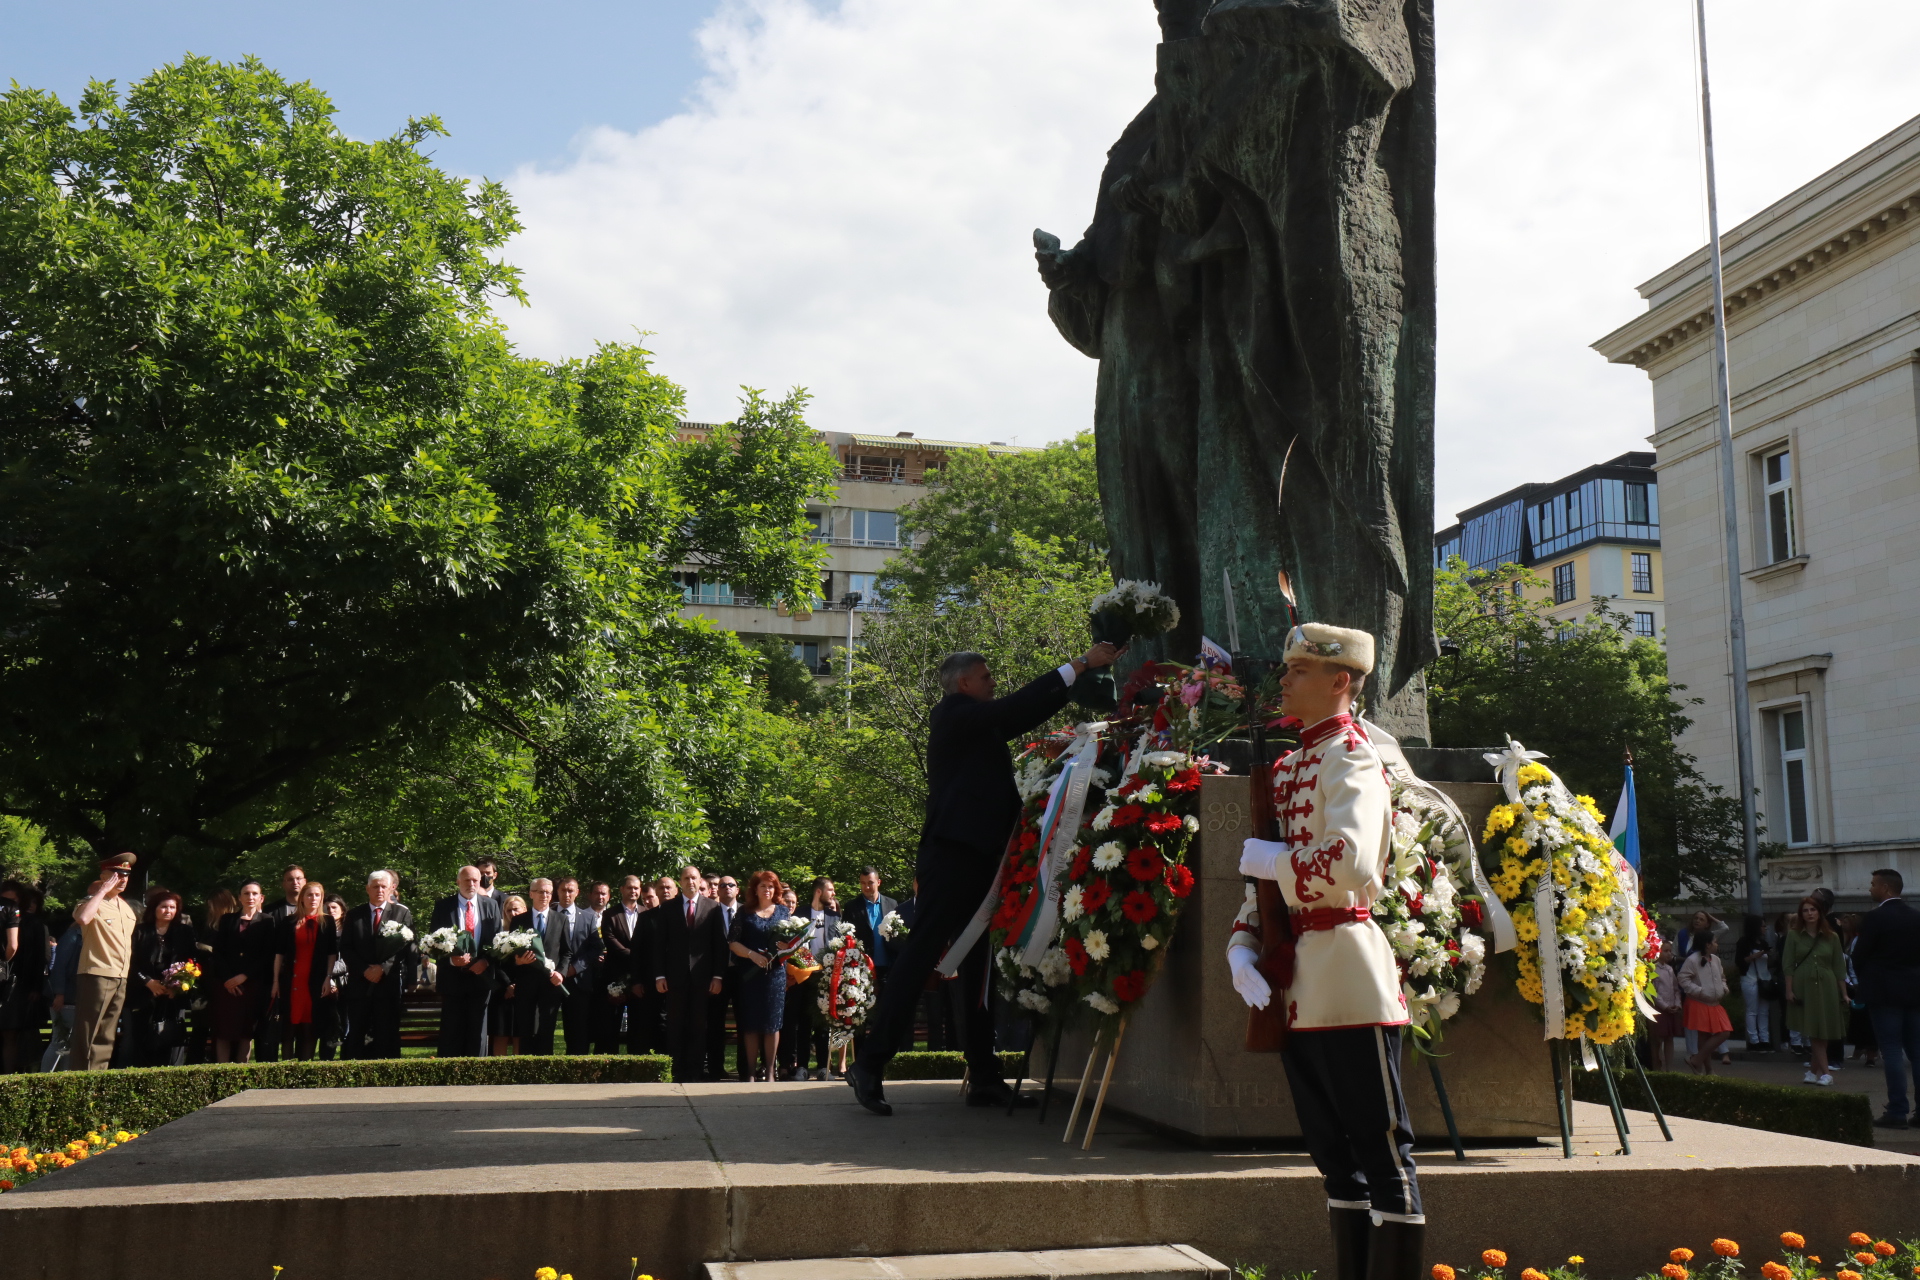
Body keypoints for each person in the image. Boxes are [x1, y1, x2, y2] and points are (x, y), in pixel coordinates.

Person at [851, 640, 1122, 1117]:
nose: (993, 681)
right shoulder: (952, 714)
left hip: (981, 859)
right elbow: (1013, 708)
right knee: (922, 956)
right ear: (963, 684)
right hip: (953, 857)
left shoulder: (978, 723)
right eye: (986, 675)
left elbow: (1020, 714)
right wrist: (1079, 664)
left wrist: (1071, 691)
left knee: (977, 970)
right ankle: (870, 1064)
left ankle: (984, 1074)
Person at [1230, 624, 1424, 1280]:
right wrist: (1242, 947)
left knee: (1382, 1151)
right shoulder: (1292, 765)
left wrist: (1277, 860)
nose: (1284, 680)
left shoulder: (1351, 755)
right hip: (1300, 982)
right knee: (1332, 1154)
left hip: (1346, 974)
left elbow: (1349, 861)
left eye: (1300, 670)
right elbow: (1267, 884)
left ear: (1341, 682)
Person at [1854, 868, 1920, 1128]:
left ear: (1885, 888)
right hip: (1915, 991)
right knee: (1917, 1051)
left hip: (1884, 992)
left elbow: (1860, 956)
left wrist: (1867, 979)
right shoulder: (1917, 917)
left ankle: (1896, 1111)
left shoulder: (1874, 918)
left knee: (1891, 1050)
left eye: (1873, 884)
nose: (1870, 889)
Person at [652, 865, 728, 1082]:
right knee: (674, 1025)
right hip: (674, 978)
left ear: (699, 880)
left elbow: (719, 945)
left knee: (698, 1025)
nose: (690, 882)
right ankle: (675, 1070)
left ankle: (695, 1072)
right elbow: (659, 945)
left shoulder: (713, 908)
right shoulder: (668, 908)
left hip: (703, 978)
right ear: (680, 882)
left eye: (694, 878)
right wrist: (659, 975)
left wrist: (717, 976)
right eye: (686, 878)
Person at [69, 853, 141, 1071]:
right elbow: (82, 919)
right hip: (96, 974)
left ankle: (98, 1076)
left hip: (120, 975)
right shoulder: (91, 902)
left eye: (126, 875)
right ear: (104, 875)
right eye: (117, 874)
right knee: (88, 1032)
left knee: (107, 1033)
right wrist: (101, 890)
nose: (122, 879)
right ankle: (80, 1079)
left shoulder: (127, 907)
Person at [509, 879, 591, 1056]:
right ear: (531, 894)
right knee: (526, 1029)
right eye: (540, 892)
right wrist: (518, 961)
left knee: (546, 1030)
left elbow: (567, 952)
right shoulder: (519, 921)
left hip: (550, 984)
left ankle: (545, 1071)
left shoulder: (560, 919)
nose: (544, 896)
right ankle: (526, 1069)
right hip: (526, 983)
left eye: (548, 892)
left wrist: (561, 973)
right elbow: (509, 953)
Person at [338, 870, 413, 1059]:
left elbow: (408, 947)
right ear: (367, 889)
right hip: (360, 985)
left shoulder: (401, 913)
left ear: (391, 888)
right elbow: (346, 948)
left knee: (387, 1033)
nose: (379, 890)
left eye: (383, 886)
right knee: (357, 1034)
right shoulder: (355, 915)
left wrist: (383, 968)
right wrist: (365, 970)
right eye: (375, 886)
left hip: (388, 985)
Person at [430, 865, 502, 1058]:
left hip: (481, 977)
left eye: (475, 880)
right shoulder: (443, 906)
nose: (471, 884)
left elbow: (497, 941)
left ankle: (477, 1074)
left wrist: (486, 962)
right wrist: (453, 960)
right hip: (452, 978)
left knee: (478, 1030)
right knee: (451, 1030)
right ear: (458, 882)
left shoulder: (491, 906)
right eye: (467, 880)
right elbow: (433, 943)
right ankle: (449, 1073)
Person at [728, 870, 791, 1083]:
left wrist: (786, 946)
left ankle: (771, 1072)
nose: (767, 890)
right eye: (763, 886)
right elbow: (732, 942)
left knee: (772, 1024)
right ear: (755, 889)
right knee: (751, 1024)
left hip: (775, 976)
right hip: (750, 976)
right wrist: (751, 954)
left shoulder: (783, 912)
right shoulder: (744, 912)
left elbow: (792, 942)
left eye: (771, 886)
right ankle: (751, 1073)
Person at [126, 889, 199, 1067]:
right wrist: (148, 982)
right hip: (144, 994)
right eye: (164, 907)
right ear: (154, 908)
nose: (168, 911)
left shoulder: (184, 931)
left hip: (173, 995)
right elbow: (130, 962)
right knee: (143, 1041)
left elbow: (192, 962)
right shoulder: (140, 931)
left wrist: (177, 985)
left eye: (172, 907)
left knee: (172, 1040)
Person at [271, 881, 340, 1061]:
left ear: (322, 898)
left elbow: (332, 953)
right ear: (302, 898)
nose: (313, 899)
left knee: (310, 1026)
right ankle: (286, 1071)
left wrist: (328, 978)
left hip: (315, 981)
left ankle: (305, 1069)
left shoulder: (327, 921)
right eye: (309, 895)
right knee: (288, 1028)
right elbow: (279, 953)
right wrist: (276, 982)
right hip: (291, 981)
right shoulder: (289, 921)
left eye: (317, 895)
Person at [210, 881, 278, 1062]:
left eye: (255, 894)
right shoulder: (227, 920)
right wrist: (227, 978)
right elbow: (218, 952)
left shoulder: (267, 921)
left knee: (245, 1031)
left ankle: (241, 1072)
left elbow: (267, 955)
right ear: (239, 898)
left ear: (261, 898)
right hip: (226, 985)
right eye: (246, 893)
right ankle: (222, 1070)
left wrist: (244, 976)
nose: (250, 897)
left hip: (252, 984)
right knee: (223, 1030)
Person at [1784, 895, 1846, 1086]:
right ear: (1801, 914)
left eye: (1813, 909)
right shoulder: (1794, 935)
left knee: (1823, 1029)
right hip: (1804, 984)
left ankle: (1813, 1072)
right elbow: (1787, 965)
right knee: (1814, 1029)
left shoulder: (1832, 936)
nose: (1810, 913)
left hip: (1827, 984)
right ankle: (1826, 1073)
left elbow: (1839, 966)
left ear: (1820, 912)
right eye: (1805, 910)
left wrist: (1843, 993)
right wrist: (1789, 990)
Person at [254, 864, 307, 1063]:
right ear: (283, 884)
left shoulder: (318, 911)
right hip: (275, 979)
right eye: (290, 879)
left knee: (304, 1027)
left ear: (305, 881)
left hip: (305, 978)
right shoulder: (270, 912)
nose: (295, 883)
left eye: (299, 878)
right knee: (273, 1027)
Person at [844, 867, 898, 1054]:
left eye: (870, 882)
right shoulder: (852, 907)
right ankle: (860, 1060)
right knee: (861, 1018)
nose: (867, 887)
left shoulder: (892, 904)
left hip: (887, 968)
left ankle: (883, 1057)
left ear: (878, 882)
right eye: (863, 883)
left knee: (884, 1017)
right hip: (861, 971)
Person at [0, 883, 51, 1073]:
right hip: (7, 977)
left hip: (19, 982)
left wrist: (36, 987)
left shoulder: (33, 923)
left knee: (11, 1032)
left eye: (12, 900)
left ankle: (9, 1074)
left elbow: (40, 957)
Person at [551, 877, 602, 1055]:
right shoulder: (548, 913)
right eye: (563, 890)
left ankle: (577, 1073)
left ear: (577, 893)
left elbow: (596, 948)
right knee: (546, 1027)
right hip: (551, 979)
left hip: (578, 982)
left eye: (570, 890)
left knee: (578, 1031)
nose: (567, 894)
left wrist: (576, 968)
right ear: (557, 891)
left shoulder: (588, 918)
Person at [600, 875, 647, 1054]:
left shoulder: (646, 912)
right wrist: (636, 956)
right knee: (611, 1024)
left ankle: (637, 1063)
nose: (633, 891)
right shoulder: (610, 914)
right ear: (621, 889)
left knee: (639, 1024)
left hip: (640, 977)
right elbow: (611, 942)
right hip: (616, 975)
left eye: (636, 888)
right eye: (630, 888)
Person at [802, 877, 841, 1077]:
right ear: (819, 892)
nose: (833, 894)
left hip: (825, 977)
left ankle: (823, 1067)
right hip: (802, 975)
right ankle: (801, 1067)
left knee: (823, 1024)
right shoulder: (800, 914)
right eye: (831, 890)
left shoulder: (834, 918)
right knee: (803, 1022)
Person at [1679, 936, 1732, 1074]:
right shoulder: (1692, 960)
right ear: (1707, 944)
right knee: (1704, 1036)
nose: (1716, 944)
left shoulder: (1716, 959)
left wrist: (1724, 988)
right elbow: (1683, 978)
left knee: (1724, 1032)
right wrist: (1699, 991)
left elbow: (1722, 977)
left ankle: (1697, 1061)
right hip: (1699, 1001)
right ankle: (1707, 1069)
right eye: (1714, 941)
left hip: (1714, 1003)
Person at [708, 874, 743, 1080]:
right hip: (717, 975)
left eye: (732, 884)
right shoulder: (710, 912)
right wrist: (714, 975)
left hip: (742, 975)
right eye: (723, 885)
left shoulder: (747, 912)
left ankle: (744, 1069)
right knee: (715, 1024)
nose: (727, 887)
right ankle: (715, 1069)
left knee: (744, 1022)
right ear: (718, 890)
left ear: (737, 889)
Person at [776, 885, 810, 1080]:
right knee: (777, 1025)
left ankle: (790, 1063)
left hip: (796, 982)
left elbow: (806, 956)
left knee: (791, 1025)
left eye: (793, 902)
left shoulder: (801, 925)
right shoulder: (776, 923)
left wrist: (794, 975)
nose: (790, 905)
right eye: (787, 901)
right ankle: (773, 1064)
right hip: (776, 981)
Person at [41, 912, 83, 1072]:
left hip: (76, 996)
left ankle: (63, 1077)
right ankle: (44, 1078)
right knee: (60, 1040)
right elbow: (59, 966)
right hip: (66, 996)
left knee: (70, 1042)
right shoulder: (73, 935)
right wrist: (59, 994)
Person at [491, 893, 529, 1057]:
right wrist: (508, 985)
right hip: (502, 991)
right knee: (501, 1033)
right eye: (508, 910)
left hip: (524, 989)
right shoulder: (499, 935)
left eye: (516, 909)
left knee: (520, 1034)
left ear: (524, 910)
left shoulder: (530, 934)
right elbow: (495, 964)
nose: (513, 913)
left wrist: (518, 986)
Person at [1735, 914, 1775, 1051]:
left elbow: (1769, 963)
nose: (1765, 929)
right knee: (1752, 1010)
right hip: (1749, 978)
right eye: (1763, 926)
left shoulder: (1763, 943)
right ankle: (1754, 1040)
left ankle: (1765, 1039)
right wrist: (1755, 956)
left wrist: (1768, 955)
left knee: (1764, 1011)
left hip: (1764, 978)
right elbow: (1740, 961)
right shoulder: (1744, 942)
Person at [1649, 945, 1681, 1071]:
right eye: (1665, 951)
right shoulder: (1653, 969)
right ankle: (1657, 1066)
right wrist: (1665, 1006)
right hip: (1659, 1009)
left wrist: (1677, 1004)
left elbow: (1675, 989)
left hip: (1671, 1008)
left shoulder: (1670, 969)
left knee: (1669, 1038)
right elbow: (1654, 992)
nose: (1669, 954)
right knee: (1657, 1039)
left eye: (1670, 951)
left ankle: (1670, 1068)